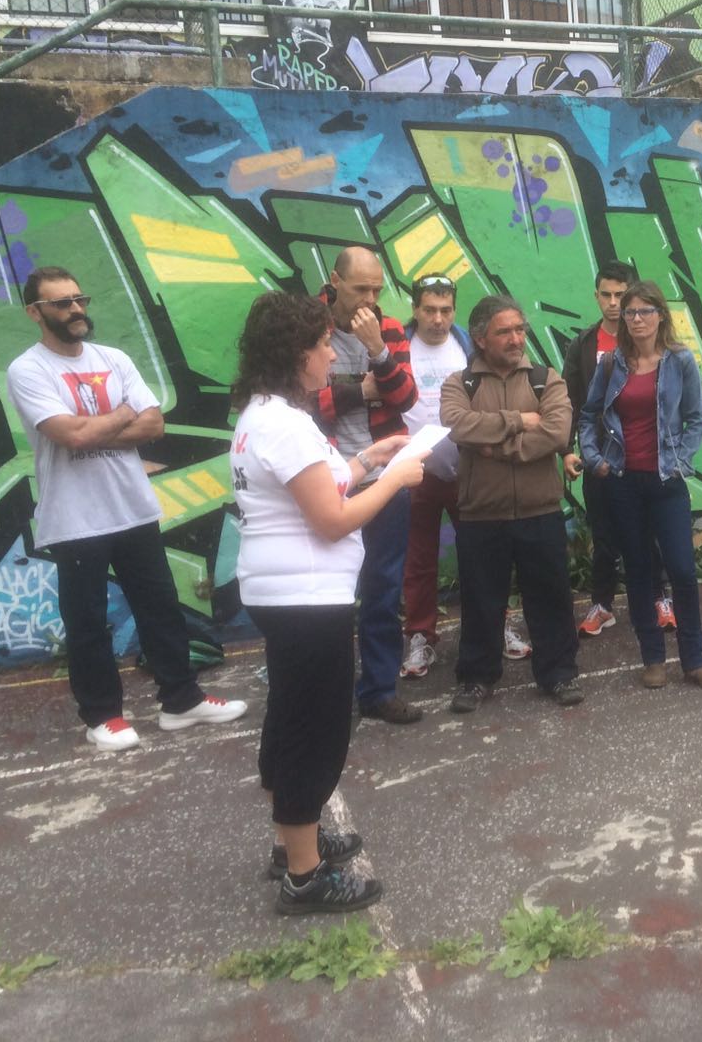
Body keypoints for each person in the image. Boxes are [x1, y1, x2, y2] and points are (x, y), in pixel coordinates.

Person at [230, 291, 423, 913]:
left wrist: (370, 458)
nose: (328, 355)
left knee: (290, 715)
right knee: (315, 730)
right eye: (319, 345)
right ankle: (306, 877)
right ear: (294, 354)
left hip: (288, 594)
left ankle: (295, 842)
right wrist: (394, 481)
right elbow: (332, 520)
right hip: (305, 600)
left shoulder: (267, 415)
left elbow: (320, 485)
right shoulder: (283, 425)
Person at [5, 265, 247, 752]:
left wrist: (97, 425)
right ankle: (103, 717)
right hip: (75, 519)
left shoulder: (113, 358)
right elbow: (69, 435)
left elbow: (154, 424)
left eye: (79, 299)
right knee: (88, 622)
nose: (76, 310)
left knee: (161, 610)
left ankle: (180, 700)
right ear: (35, 312)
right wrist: (119, 415)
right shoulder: (28, 369)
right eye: (62, 303)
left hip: (133, 508)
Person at [438, 296, 584, 713]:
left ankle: (558, 673)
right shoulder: (459, 384)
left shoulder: (545, 379)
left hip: (541, 511)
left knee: (551, 597)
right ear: (481, 337)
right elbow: (458, 425)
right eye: (505, 331)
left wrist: (499, 449)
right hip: (482, 514)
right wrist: (520, 420)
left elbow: (557, 433)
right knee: (482, 600)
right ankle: (476, 677)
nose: (517, 338)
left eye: (520, 329)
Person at [578, 280, 702, 691]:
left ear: (661, 315)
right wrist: (596, 460)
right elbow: (588, 416)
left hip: (666, 481)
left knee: (681, 568)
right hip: (623, 482)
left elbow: (697, 418)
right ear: (622, 319)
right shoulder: (612, 364)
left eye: (645, 311)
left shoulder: (680, 361)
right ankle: (653, 658)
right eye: (630, 312)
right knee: (639, 570)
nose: (637, 319)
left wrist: (681, 459)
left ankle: (695, 660)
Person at [313, 247, 420, 724]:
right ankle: (325, 692)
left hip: (384, 480)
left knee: (382, 587)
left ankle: (378, 690)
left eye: (377, 289)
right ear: (334, 280)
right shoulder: (307, 326)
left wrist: (378, 352)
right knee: (327, 593)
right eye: (360, 289)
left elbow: (404, 396)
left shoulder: (389, 328)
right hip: (323, 477)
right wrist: (362, 390)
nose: (370, 299)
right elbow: (301, 400)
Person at [561, 261, 673, 638]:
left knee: (650, 532)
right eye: (606, 295)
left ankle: (660, 598)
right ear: (596, 297)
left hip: (645, 458)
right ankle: (602, 604)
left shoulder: (651, 344)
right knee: (604, 535)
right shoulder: (583, 345)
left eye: (620, 296)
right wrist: (568, 450)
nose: (613, 303)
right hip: (600, 460)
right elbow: (571, 402)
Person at [400, 274, 487, 679]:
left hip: (466, 470)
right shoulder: (398, 349)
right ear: (415, 309)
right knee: (418, 560)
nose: (438, 319)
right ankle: (420, 637)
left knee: (483, 555)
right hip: (413, 471)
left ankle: (493, 626)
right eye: (429, 310)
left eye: (446, 310)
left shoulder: (467, 346)